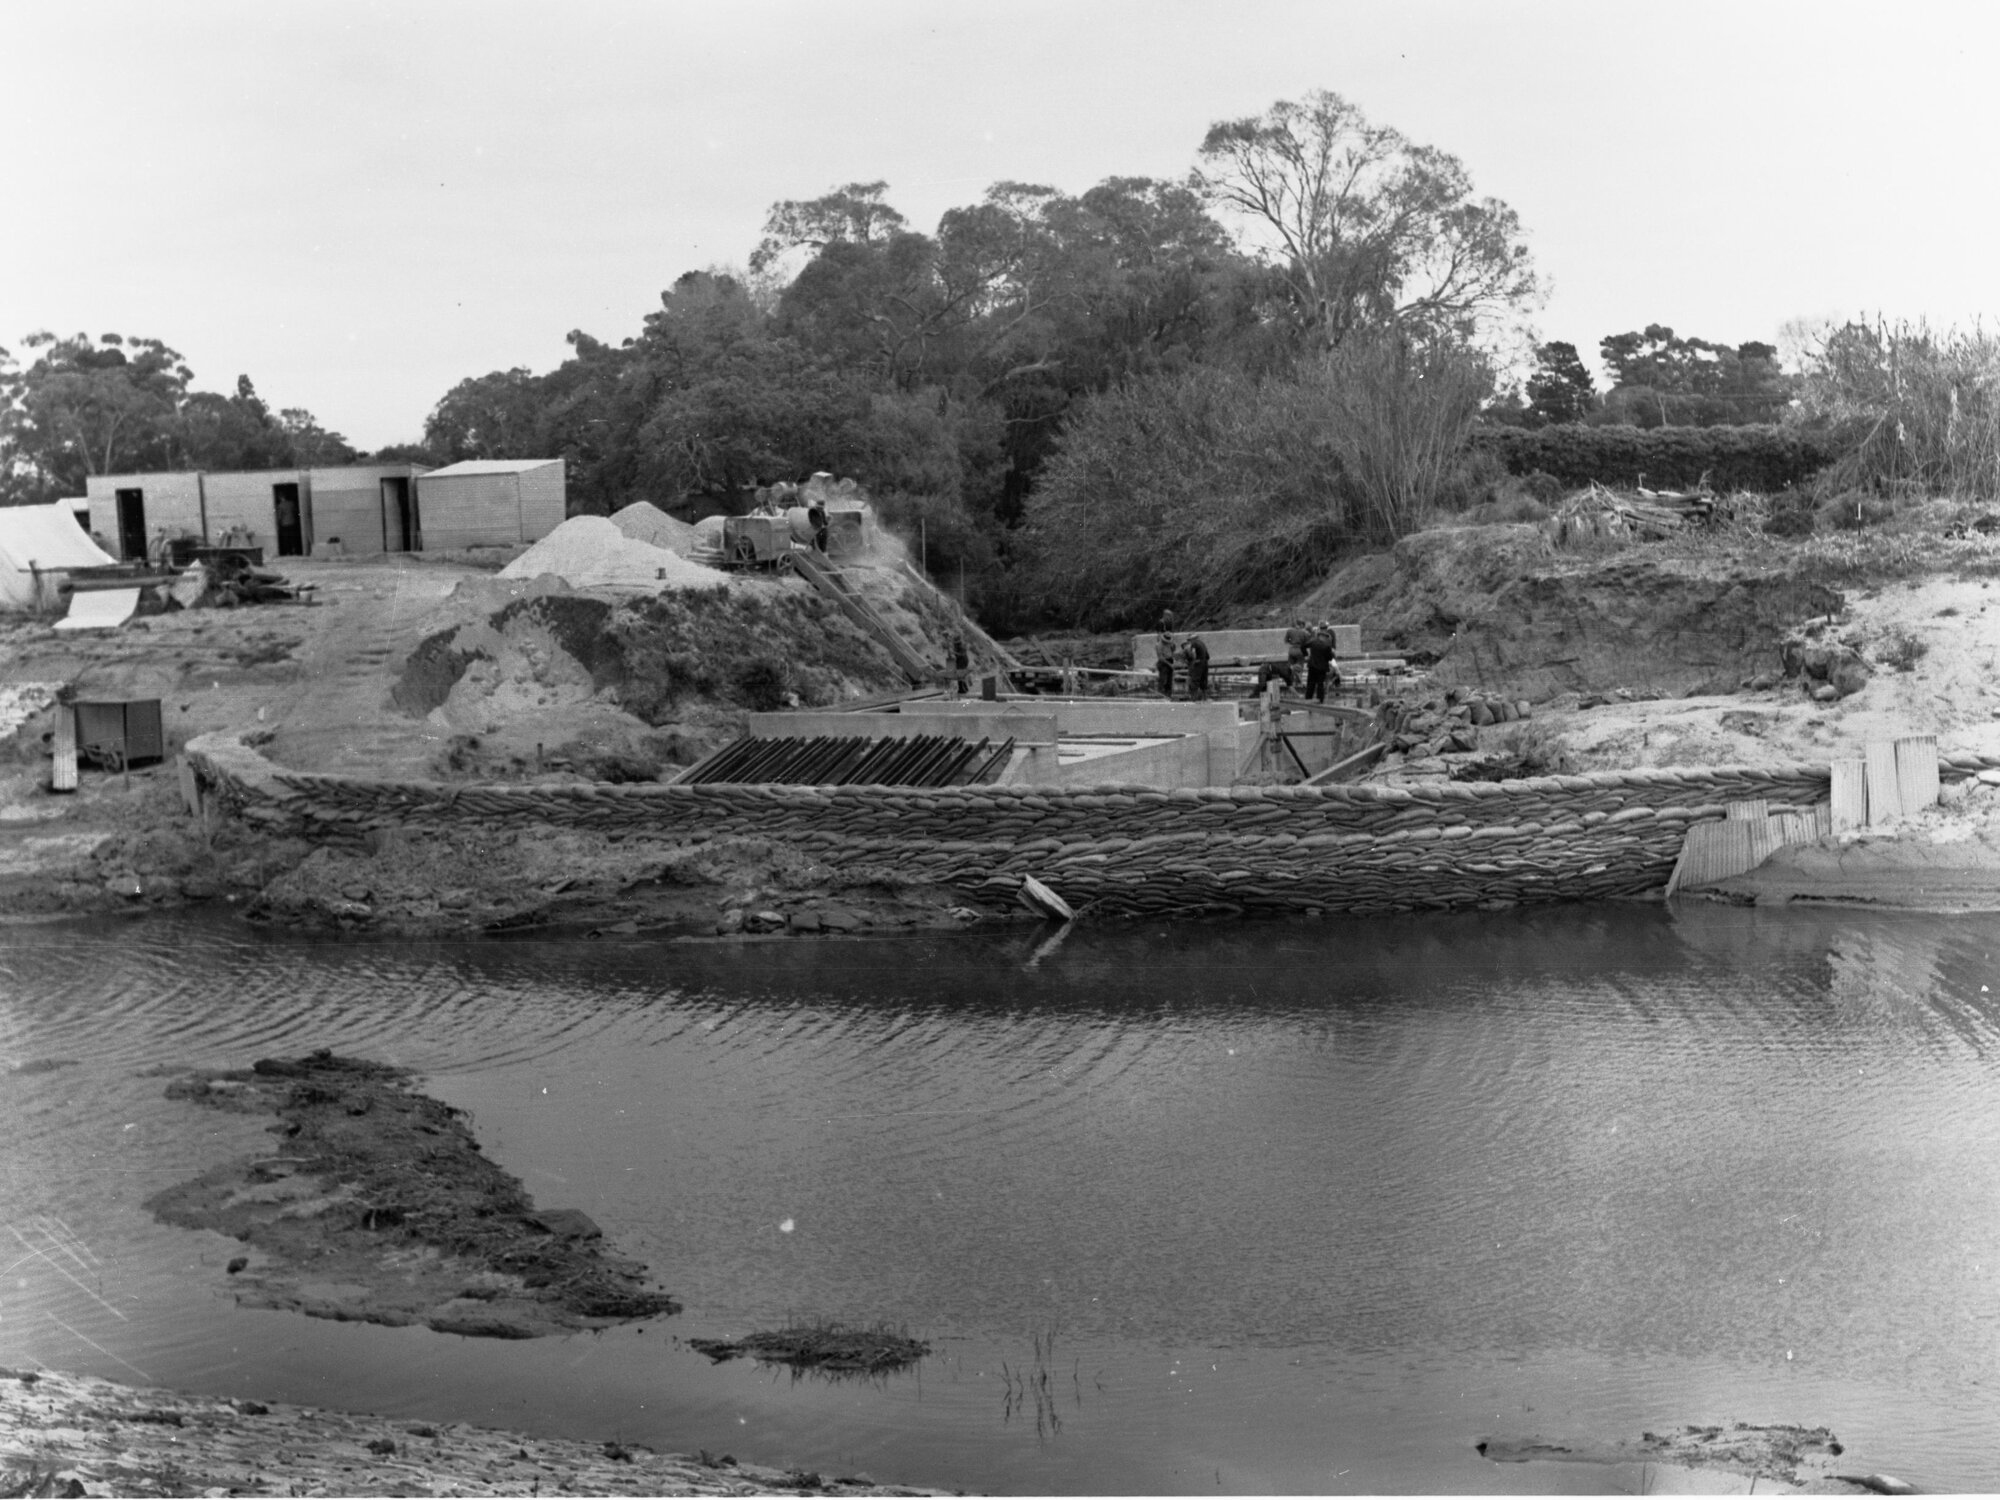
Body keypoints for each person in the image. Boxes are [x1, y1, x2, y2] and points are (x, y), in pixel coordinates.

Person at [1304, 624, 1335, 704]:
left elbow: (1303, 646)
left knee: (1310, 683)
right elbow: (1329, 658)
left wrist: (1306, 655)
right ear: (1324, 637)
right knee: (1320, 684)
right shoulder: (1327, 646)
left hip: (1312, 666)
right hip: (1322, 668)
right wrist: (1332, 654)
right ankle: (1320, 700)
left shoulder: (1313, 642)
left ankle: (1308, 698)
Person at [1183, 633, 1210, 701]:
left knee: (1195, 680)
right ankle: (1205, 697)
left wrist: (1194, 661)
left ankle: (1194, 697)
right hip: (1205, 663)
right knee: (1204, 680)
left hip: (1199, 663)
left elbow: (1193, 653)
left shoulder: (1194, 644)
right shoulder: (1202, 643)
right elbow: (1207, 656)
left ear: (1192, 639)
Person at [1155, 614, 1176, 698]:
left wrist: (1173, 647)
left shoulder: (1169, 643)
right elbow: (1161, 657)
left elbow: (1172, 651)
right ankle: (1160, 694)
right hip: (1164, 662)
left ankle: (1168, 694)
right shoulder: (1159, 645)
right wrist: (1170, 664)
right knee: (1163, 679)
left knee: (1169, 680)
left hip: (1170, 660)